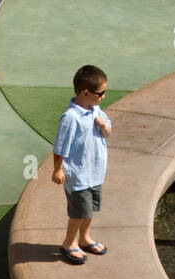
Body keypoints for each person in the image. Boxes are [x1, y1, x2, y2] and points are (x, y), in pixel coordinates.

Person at [51, 65, 111, 264]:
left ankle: (85, 238)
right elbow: (60, 148)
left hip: (94, 172)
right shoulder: (71, 118)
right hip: (78, 176)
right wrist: (58, 170)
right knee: (79, 213)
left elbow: (107, 132)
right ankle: (69, 243)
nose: (103, 97)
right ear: (86, 92)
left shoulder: (95, 109)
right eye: (101, 93)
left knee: (90, 210)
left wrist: (103, 126)